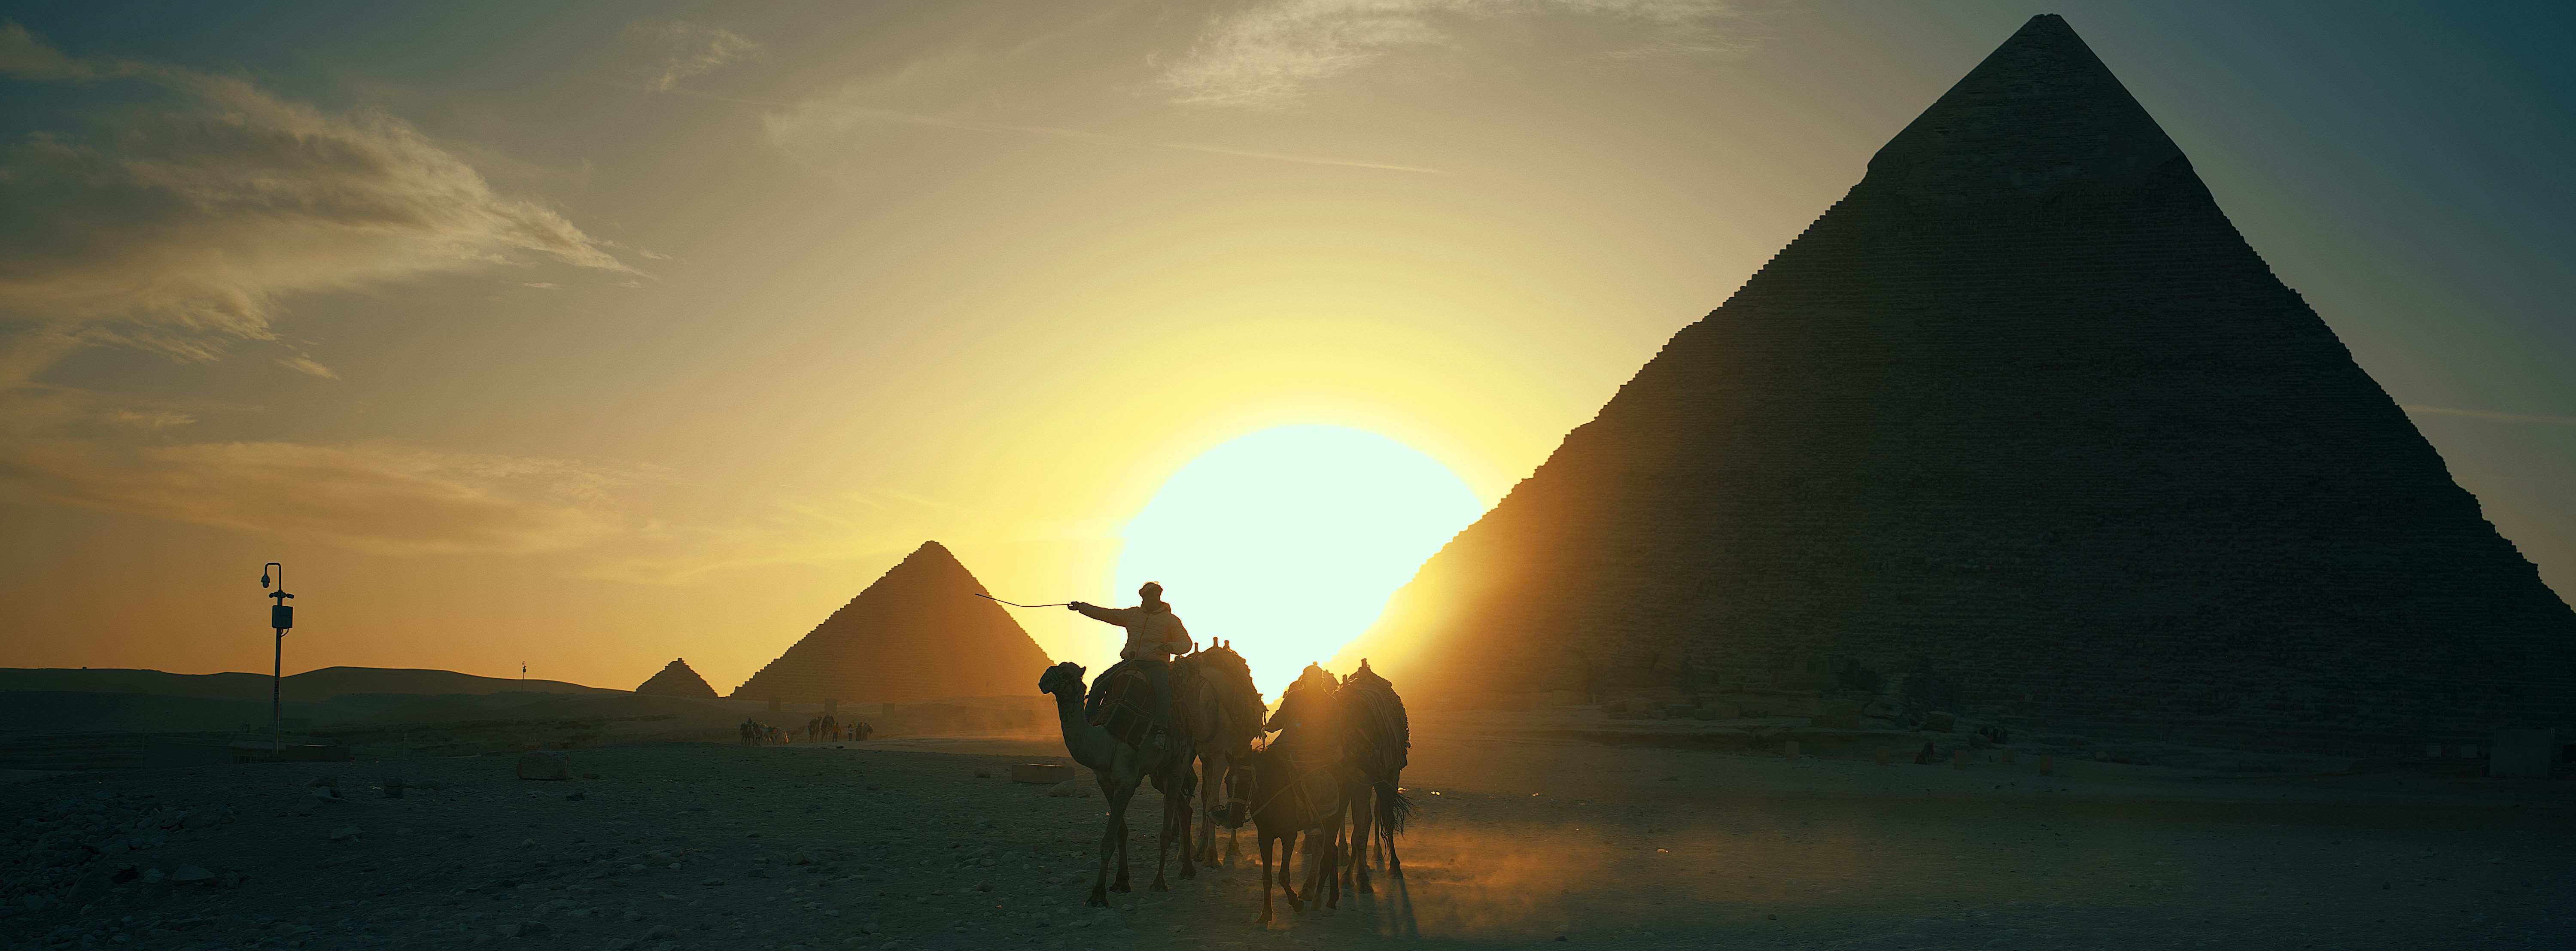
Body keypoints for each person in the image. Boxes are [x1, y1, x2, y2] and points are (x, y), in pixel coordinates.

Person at [1068, 581, 1193, 748]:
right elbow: (1107, 614)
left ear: (1157, 597)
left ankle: (1160, 731)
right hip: (1131, 662)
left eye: (1150, 596)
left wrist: (1171, 647)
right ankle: (1087, 722)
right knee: (1099, 683)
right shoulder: (1133, 615)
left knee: (1162, 691)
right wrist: (1082, 608)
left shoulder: (1170, 621)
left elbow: (1186, 642)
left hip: (1155, 664)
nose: (1147, 600)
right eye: (1145, 597)